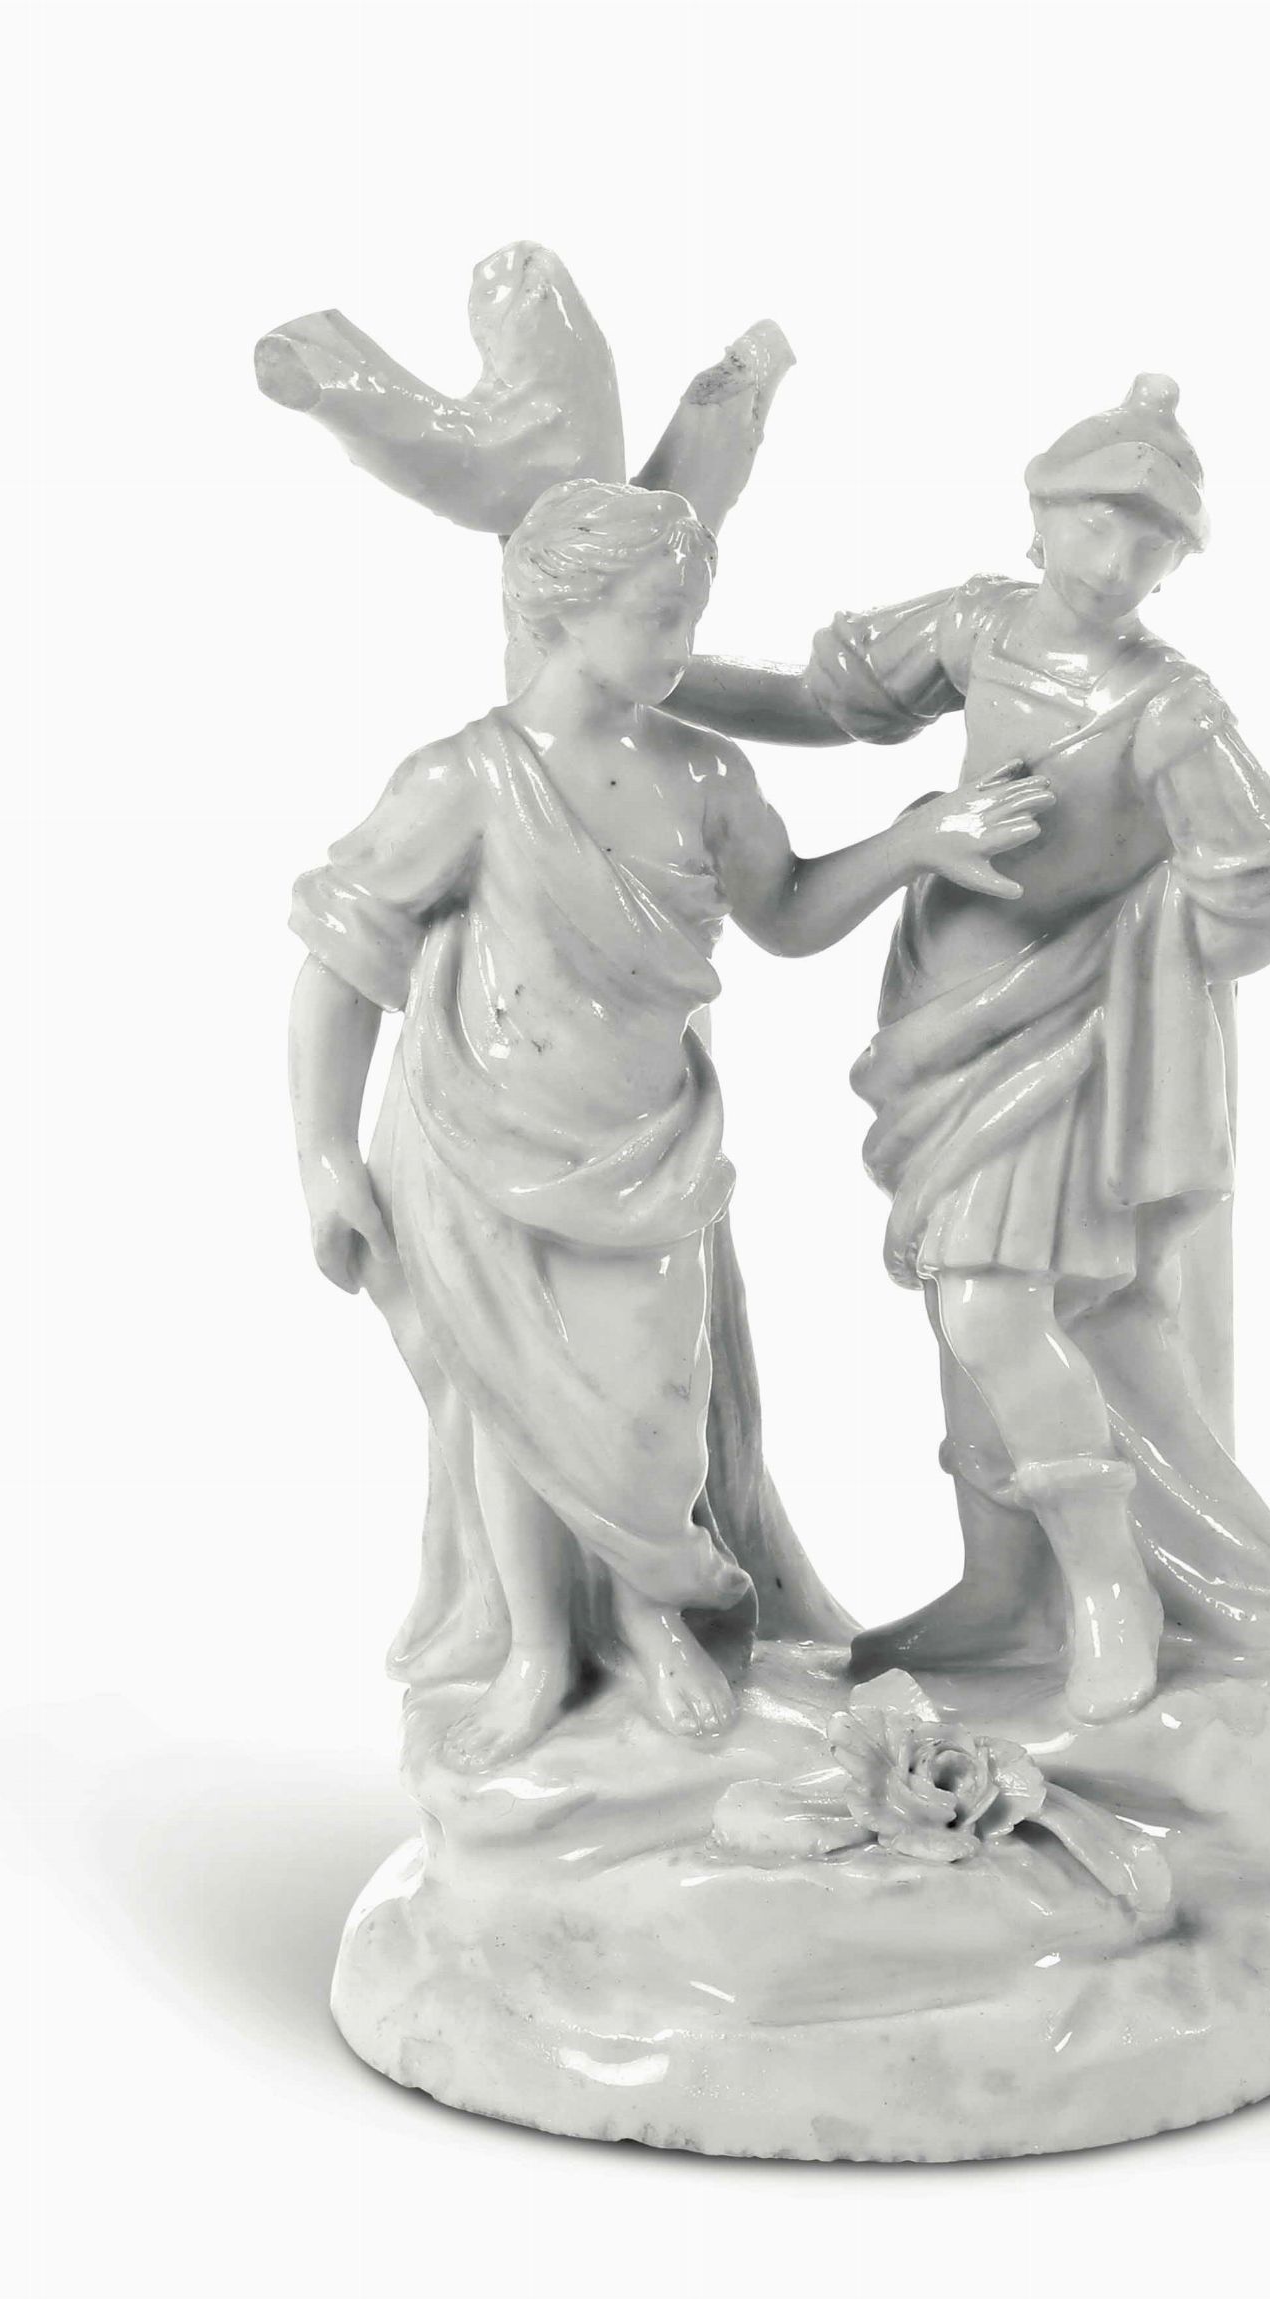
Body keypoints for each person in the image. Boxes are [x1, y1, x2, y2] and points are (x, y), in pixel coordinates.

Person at [287, 479, 1049, 1768]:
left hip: (646, 1145)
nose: (681, 646)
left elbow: (787, 913)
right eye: (655, 617)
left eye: (691, 615)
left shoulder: (703, 772)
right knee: (513, 1412)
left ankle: (652, 1620)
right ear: (563, 613)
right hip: (478, 1142)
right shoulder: (464, 780)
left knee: (653, 1406)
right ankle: (541, 1650)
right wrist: (322, 1153)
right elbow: (337, 964)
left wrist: (911, 844)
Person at [664, 379, 1270, 1721]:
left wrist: (1157, 933)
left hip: (1069, 1035)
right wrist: (659, 682)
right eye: (1095, 522)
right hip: (942, 1012)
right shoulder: (979, 627)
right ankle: (1001, 1587)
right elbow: (828, 700)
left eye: (1150, 540)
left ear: (1175, 564)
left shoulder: (1170, 710)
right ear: (1040, 517)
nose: (1116, 557)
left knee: (993, 1303)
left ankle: (1107, 1589)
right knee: (964, 1303)